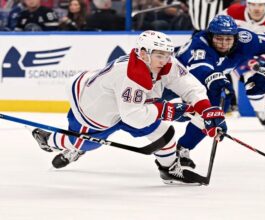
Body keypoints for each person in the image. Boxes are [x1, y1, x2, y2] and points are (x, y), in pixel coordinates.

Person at [30, 30, 227, 185]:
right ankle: (49, 140)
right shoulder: (131, 74)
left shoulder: (163, 63)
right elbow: (134, 116)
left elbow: (190, 87)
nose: (165, 60)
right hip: (93, 108)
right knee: (86, 143)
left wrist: (206, 110)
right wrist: (168, 110)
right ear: (143, 53)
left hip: (130, 106)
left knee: (163, 133)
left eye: (167, 54)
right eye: (160, 55)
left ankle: (168, 169)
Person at [174, 15, 265, 168]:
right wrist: (216, 79)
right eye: (219, 39)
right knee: (145, 115)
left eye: (228, 39)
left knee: (213, 113)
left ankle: (182, 149)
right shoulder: (200, 44)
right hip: (170, 77)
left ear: (236, 37)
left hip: (200, 81)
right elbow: (200, 70)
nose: (223, 44)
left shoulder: (245, 39)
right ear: (210, 36)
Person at [222, 0, 265, 130]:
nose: (257, 8)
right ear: (247, 4)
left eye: (260, 5)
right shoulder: (232, 12)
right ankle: (261, 111)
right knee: (250, 78)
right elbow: (217, 30)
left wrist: (262, 60)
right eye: (253, 4)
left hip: (262, 55)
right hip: (236, 54)